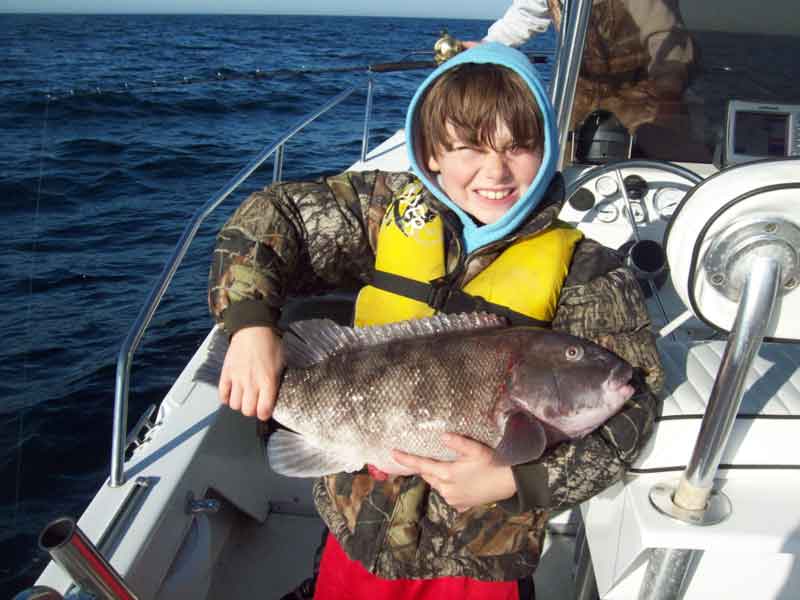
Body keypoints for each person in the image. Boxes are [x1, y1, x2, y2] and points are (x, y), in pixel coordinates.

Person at [208, 43, 664, 599]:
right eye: (470, 147)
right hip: (356, 532)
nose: (495, 171)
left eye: (519, 147)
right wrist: (251, 325)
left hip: (479, 562)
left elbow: (637, 409)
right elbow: (271, 216)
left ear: (547, 149)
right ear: (430, 154)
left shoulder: (586, 270)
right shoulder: (382, 212)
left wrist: (516, 478)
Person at [465, 0, 697, 139]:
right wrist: (486, 47)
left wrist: (668, 92)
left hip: (643, 100)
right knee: (562, 171)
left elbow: (666, 36)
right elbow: (524, 17)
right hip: (577, 98)